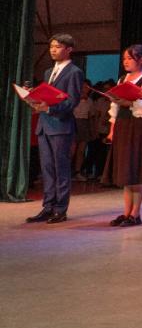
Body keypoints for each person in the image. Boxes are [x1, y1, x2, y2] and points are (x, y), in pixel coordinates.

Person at [25, 34, 84, 224]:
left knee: (61, 168)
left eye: (57, 47)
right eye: (51, 46)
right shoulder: (48, 71)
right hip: (44, 125)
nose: (53, 50)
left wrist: (50, 109)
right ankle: (48, 206)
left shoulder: (74, 72)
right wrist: (34, 99)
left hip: (61, 125)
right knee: (47, 169)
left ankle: (60, 209)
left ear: (69, 49)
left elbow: (72, 101)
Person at [102, 45, 142, 226]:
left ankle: (135, 213)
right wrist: (112, 131)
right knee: (126, 169)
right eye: (124, 59)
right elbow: (114, 108)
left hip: (138, 125)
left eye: (129, 58)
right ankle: (126, 212)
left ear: (140, 60)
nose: (125, 62)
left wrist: (130, 103)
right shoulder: (122, 79)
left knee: (136, 167)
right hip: (123, 125)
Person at [72, 80, 94, 181]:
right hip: (73, 123)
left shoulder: (90, 101)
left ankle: (78, 172)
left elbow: (90, 116)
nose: (85, 89)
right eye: (83, 86)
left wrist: (92, 129)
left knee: (81, 150)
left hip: (84, 124)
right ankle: (67, 171)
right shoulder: (74, 98)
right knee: (71, 150)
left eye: (87, 87)